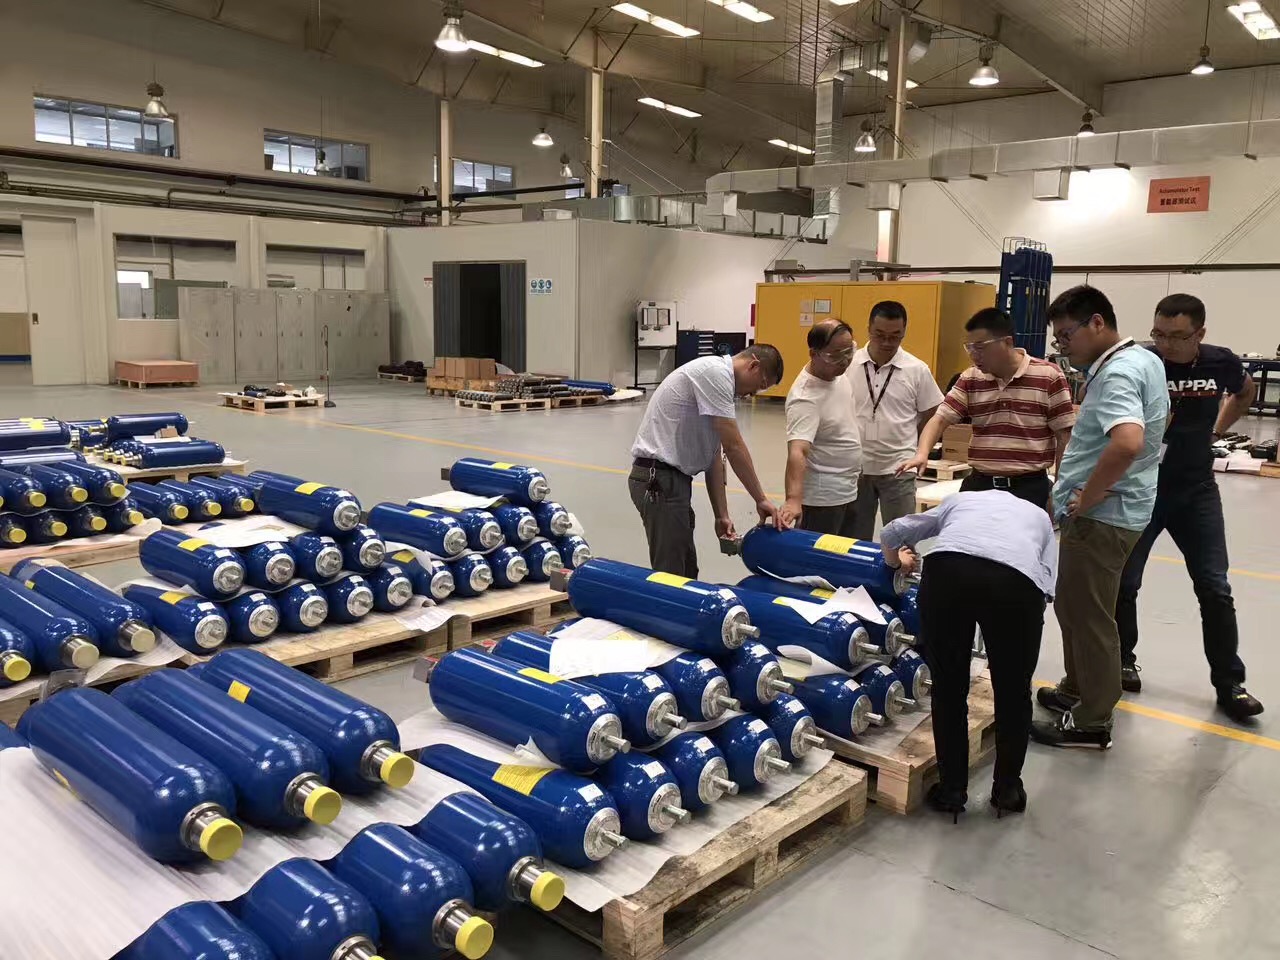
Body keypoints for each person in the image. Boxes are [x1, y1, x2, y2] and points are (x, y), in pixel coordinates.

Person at [1033, 285, 1169, 749]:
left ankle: (1092, 719)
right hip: (1119, 507)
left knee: (1089, 614)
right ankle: (1078, 688)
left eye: (1066, 335)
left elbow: (1128, 441)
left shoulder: (1117, 373)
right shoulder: (1143, 359)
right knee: (1074, 605)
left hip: (1103, 517)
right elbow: (1156, 426)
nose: (1062, 345)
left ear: (1096, 323)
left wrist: (1088, 496)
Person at [1115, 293, 1263, 720]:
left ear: (1200, 333)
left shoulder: (1220, 362)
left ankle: (1229, 683)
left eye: (1178, 337)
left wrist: (1216, 430)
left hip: (1196, 490)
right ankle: (1122, 661)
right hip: (1142, 490)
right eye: (1159, 334)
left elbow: (1244, 392)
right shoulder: (1142, 361)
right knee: (1124, 582)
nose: (1166, 344)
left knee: (1214, 586)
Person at [880, 490, 1057, 820]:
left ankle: (951, 791)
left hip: (948, 572)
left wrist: (894, 565)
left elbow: (892, 531)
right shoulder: (1041, 519)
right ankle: (1007, 791)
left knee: (949, 687)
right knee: (1014, 691)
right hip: (1015, 582)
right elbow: (1047, 583)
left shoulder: (958, 501)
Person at [628, 345, 783, 578]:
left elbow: (714, 453)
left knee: (687, 570)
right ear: (753, 365)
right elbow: (734, 446)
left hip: (672, 481)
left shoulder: (718, 385)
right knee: (672, 575)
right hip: (659, 479)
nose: (753, 394)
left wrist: (721, 515)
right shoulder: (715, 373)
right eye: (760, 384)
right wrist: (760, 499)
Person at [899, 307, 1075, 508]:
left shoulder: (1048, 376)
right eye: (969, 348)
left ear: (1007, 342)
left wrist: (1059, 489)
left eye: (980, 347)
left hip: (1028, 488)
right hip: (980, 484)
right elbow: (939, 419)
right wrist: (922, 454)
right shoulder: (971, 378)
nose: (974, 355)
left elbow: (1064, 437)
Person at [850, 301, 943, 539]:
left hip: (900, 468)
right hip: (855, 468)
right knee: (854, 540)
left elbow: (934, 413)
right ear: (868, 328)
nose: (886, 343)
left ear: (904, 332)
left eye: (895, 336)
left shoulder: (917, 369)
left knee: (901, 540)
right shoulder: (849, 364)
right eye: (879, 335)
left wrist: (917, 448)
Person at [778, 320, 861, 534]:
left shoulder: (835, 374)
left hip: (849, 489)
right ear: (813, 354)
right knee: (823, 553)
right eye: (836, 356)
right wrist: (793, 499)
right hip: (823, 500)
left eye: (849, 351)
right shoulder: (805, 397)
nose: (845, 361)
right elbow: (798, 450)